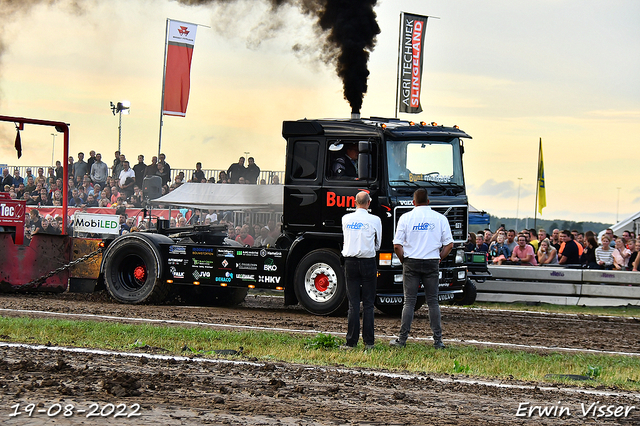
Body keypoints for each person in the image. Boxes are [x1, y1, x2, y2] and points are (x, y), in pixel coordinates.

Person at [390, 188, 452, 349]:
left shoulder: (406, 217)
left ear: (413, 202)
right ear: (428, 201)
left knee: (409, 302)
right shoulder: (440, 218)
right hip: (431, 261)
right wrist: (440, 257)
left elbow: (397, 245)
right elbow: (449, 244)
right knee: (433, 302)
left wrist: (404, 259)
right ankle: (438, 341)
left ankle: (402, 340)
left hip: (411, 261)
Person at [340, 191, 382, 350]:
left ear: (354, 202)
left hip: (350, 262)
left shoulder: (345, 219)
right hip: (368, 262)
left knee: (353, 304)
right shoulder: (375, 220)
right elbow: (378, 244)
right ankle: (369, 343)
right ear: (369, 203)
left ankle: (351, 342)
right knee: (369, 304)